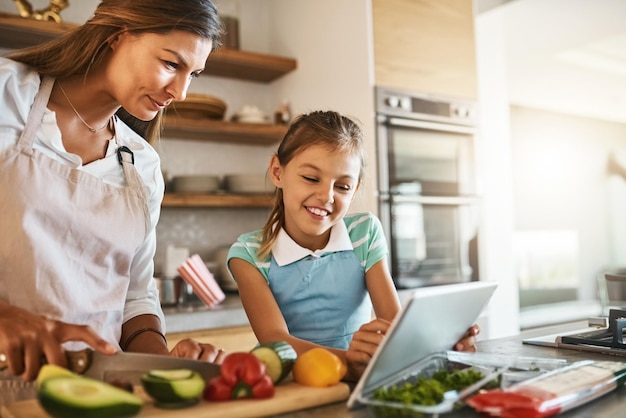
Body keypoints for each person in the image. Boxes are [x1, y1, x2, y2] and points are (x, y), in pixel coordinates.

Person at [0, 0, 225, 405]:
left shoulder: (143, 164)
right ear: (118, 36)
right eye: (172, 64)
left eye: (194, 74)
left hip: (99, 392)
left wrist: (163, 362)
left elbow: (135, 295)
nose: (181, 92)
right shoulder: (7, 96)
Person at [227, 110, 480, 382]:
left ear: (356, 188)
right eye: (311, 179)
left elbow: (392, 325)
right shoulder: (248, 254)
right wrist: (353, 363)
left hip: (359, 382)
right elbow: (276, 343)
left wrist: (441, 344)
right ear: (278, 172)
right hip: (290, 386)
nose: (326, 196)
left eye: (343, 186)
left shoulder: (365, 233)